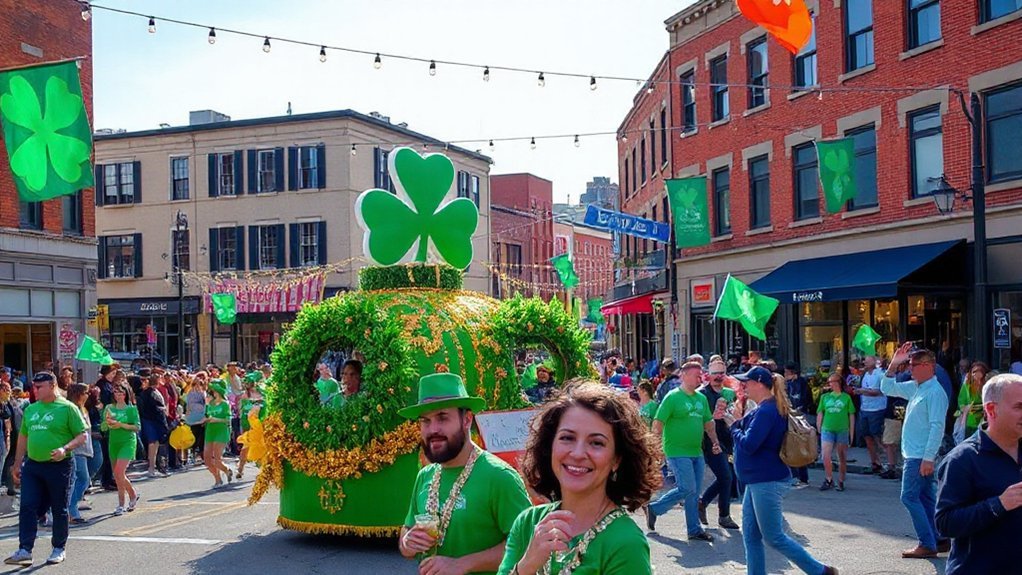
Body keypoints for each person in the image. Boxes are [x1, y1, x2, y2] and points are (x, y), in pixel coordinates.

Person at [498, 382, 657, 575]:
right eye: (567, 438)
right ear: (550, 446)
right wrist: (527, 565)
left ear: (616, 459)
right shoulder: (528, 523)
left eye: (596, 443)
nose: (578, 453)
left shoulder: (625, 542)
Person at [398, 373, 531, 574]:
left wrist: (462, 564)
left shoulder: (500, 477)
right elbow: (406, 531)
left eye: (443, 417)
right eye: (425, 421)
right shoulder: (425, 476)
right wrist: (407, 542)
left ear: (467, 419)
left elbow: (527, 544)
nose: (433, 429)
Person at [722, 367, 838, 575]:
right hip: (756, 480)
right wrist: (737, 420)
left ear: (758, 383)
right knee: (751, 536)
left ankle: (821, 571)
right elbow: (751, 435)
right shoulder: (763, 408)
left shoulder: (767, 410)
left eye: (746, 382)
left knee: (773, 536)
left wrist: (733, 426)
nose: (744, 385)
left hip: (765, 479)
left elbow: (749, 444)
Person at [935, 374, 1022, 574]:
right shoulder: (962, 459)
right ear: (991, 409)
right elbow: (945, 524)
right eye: (1019, 407)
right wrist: (998, 504)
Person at [4, 372, 87, 566]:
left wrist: (64, 448)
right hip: (33, 465)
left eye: (39, 387)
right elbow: (24, 436)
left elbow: (82, 435)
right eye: (34, 386)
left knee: (59, 508)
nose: (35, 390)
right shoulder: (32, 409)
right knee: (27, 506)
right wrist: (17, 463)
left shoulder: (68, 408)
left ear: (52, 385)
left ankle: (59, 547)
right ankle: (25, 550)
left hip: (60, 465)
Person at [881, 343, 950, 559]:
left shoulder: (934, 392)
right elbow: (887, 388)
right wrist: (893, 364)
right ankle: (937, 539)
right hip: (915, 453)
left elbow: (937, 427)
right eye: (909, 364)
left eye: (914, 365)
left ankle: (926, 542)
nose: (910, 369)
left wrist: (928, 458)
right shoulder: (918, 387)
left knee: (909, 497)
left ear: (929, 366)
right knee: (925, 498)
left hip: (920, 455)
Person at [645, 361, 720, 542]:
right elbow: (658, 422)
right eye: (696, 375)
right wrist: (656, 447)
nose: (699, 378)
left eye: (701, 375)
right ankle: (655, 508)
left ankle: (693, 530)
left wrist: (715, 442)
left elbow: (708, 423)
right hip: (676, 451)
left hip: (696, 451)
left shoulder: (701, 398)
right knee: (687, 488)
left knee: (693, 492)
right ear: (683, 376)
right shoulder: (672, 397)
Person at [697, 359, 741, 530]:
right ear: (708, 375)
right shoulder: (702, 394)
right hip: (711, 442)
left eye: (721, 373)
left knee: (728, 476)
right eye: (715, 373)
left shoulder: (730, 393)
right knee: (726, 477)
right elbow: (700, 419)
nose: (718, 377)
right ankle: (724, 516)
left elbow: (736, 412)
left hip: (728, 440)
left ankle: (703, 502)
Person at [102, 382, 140, 516]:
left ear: (126, 394)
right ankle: (132, 493)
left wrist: (121, 424)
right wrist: (107, 423)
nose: (119, 395)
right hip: (114, 442)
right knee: (118, 475)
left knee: (119, 472)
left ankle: (121, 504)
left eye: (121, 393)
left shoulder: (131, 409)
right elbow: (103, 427)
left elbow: (136, 427)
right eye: (116, 392)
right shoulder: (109, 408)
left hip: (128, 441)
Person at [817, 373, 855, 492]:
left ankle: (841, 479)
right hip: (827, 428)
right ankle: (829, 479)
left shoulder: (846, 397)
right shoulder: (825, 397)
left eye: (832, 381)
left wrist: (851, 433)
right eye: (829, 382)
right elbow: (820, 412)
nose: (830, 384)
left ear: (838, 382)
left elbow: (851, 415)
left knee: (841, 456)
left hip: (842, 429)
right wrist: (819, 426)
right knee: (825, 455)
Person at [852, 356, 887, 474]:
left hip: (877, 409)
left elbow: (879, 391)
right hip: (864, 409)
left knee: (878, 436)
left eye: (867, 360)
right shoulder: (865, 375)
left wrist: (862, 391)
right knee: (867, 437)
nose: (864, 362)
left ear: (874, 361)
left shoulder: (880, 374)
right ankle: (874, 463)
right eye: (864, 361)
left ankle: (886, 463)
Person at [65, 384, 93, 525]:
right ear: (78, 394)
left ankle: (71, 506)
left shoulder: (83, 408)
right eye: (86, 392)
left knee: (82, 479)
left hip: (85, 448)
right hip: (76, 449)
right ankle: (71, 510)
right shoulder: (72, 408)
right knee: (82, 479)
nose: (88, 395)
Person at [783, 363, 811, 486]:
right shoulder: (787, 384)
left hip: (799, 417)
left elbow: (806, 399)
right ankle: (794, 476)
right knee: (790, 446)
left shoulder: (802, 383)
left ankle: (803, 477)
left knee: (799, 446)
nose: (785, 375)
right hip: (790, 416)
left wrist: (800, 410)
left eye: (786, 373)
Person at [138, 374, 169, 477]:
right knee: (153, 444)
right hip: (152, 420)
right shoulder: (150, 393)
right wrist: (162, 410)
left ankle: (154, 466)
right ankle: (151, 467)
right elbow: (154, 408)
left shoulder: (150, 392)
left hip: (152, 420)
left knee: (154, 444)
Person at [203, 381, 233, 489]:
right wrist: (206, 405)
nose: (213, 392)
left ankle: (226, 470)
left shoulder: (225, 404)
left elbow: (228, 419)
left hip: (221, 431)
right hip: (210, 431)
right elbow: (207, 415)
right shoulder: (210, 403)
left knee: (217, 458)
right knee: (207, 458)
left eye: (215, 390)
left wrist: (216, 419)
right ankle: (217, 479)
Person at [93, 364, 118, 491]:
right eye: (112, 372)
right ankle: (106, 480)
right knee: (107, 453)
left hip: (110, 419)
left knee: (111, 453)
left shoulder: (108, 384)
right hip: (105, 421)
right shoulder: (102, 385)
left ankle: (109, 478)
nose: (114, 375)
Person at [235, 372, 264, 479]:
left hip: (259, 425)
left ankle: (262, 470)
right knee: (245, 447)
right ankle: (240, 469)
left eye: (249, 383)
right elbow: (242, 410)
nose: (248, 385)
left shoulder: (263, 394)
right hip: (247, 424)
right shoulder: (244, 395)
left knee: (260, 446)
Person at [955, 361, 989, 441]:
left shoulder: (987, 385)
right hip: (970, 422)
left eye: (978, 371)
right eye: (974, 372)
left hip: (984, 422)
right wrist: (964, 409)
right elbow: (961, 400)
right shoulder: (967, 384)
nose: (975, 374)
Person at [184, 372, 208, 465]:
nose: (197, 386)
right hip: (193, 418)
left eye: (200, 384)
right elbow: (188, 406)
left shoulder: (203, 393)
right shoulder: (190, 393)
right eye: (195, 384)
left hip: (201, 417)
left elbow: (206, 404)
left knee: (201, 437)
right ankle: (193, 454)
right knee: (194, 436)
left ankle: (200, 455)